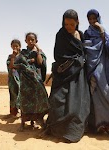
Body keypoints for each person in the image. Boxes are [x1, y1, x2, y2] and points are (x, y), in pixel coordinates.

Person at [44, 9, 90, 143]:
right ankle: (55, 129)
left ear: (77, 22)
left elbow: (84, 52)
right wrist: (75, 60)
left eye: (71, 24)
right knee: (58, 100)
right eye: (66, 24)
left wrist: (81, 60)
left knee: (77, 102)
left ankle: (72, 130)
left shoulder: (80, 34)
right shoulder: (61, 35)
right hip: (64, 73)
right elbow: (58, 54)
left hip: (78, 74)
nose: (68, 27)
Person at [83, 9, 109, 138]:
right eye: (89, 19)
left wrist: (101, 31)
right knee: (93, 96)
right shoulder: (86, 33)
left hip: (103, 68)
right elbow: (85, 48)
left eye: (94, 18)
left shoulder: (103, 32)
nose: (92, 21)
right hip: (90, 68)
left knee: (106, 93)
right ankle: (96, 125)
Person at [14, 32, 49, 131]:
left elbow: (41, 62)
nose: (30, 41)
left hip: (36, 78)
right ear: (25, 41)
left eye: (32, 40)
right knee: (25, 99)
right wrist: (28, 62)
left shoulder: (39, 52)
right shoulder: (23, 53)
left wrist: (38, 51)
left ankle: (39, 119)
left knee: (39, 98)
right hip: (25, 79)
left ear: (36, 41)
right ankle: (23, 122)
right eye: (28, 39)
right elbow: (17, 63)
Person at [5, 39, 21, 119]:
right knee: (13, 95)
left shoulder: (23, 56)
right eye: (13, 46)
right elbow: (10, 66)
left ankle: (22, 113)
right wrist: (13, 57)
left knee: (21, 95)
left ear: (19, 47)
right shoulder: (10, 57)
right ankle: (13, 113)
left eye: (16, 46)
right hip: (12, 79)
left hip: (21, 80)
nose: (15, 47)